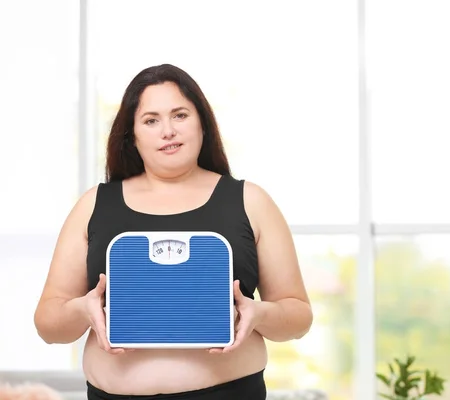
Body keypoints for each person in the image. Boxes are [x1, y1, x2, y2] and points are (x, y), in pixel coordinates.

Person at [33, 64, 313, 400]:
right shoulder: (93, 205)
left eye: (179, 115)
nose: (168, 131)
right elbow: (48, 323)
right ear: (132, 136)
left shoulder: (251, 201)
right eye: (151, 120)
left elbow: (298, 315)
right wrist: (84, 310)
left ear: (202, 124)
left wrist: (257, 314)